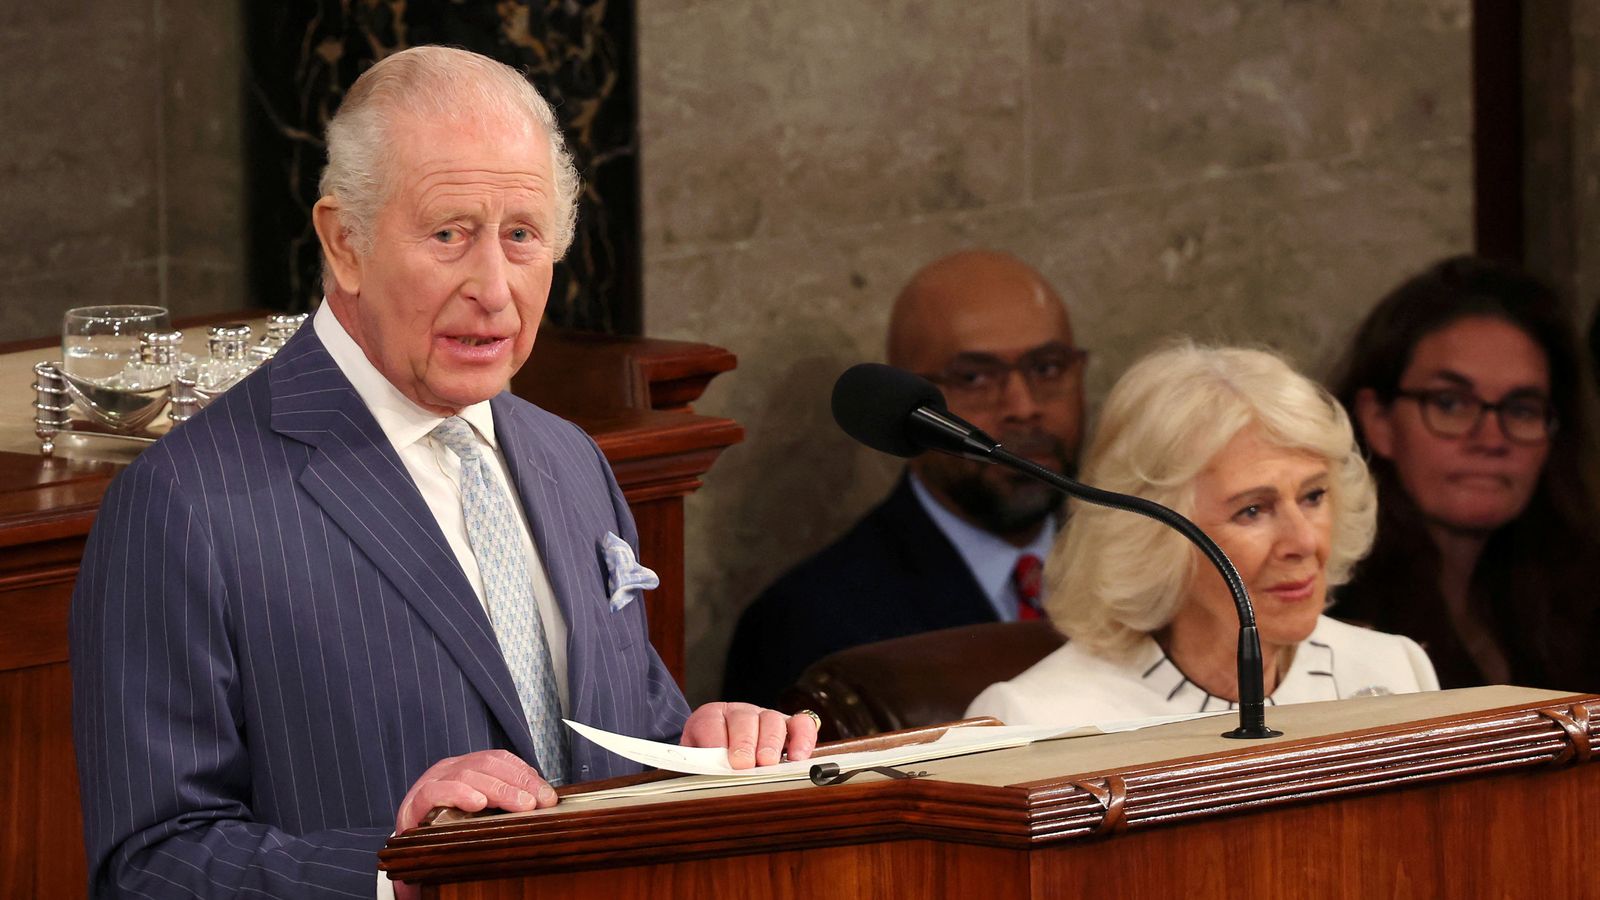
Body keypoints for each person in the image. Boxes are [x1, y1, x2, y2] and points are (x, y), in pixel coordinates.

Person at [70, 47, 816, 899]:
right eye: (449, 234)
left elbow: (619, 739)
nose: (493, 289)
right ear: (344, 243)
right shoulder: (184, 504)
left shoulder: (569, 458)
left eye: (521, 236)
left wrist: (701, 752)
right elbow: (149, 865)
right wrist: (397, 870)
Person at [967, 344, 1438, 725]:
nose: (1303, 543)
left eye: (1313, 496)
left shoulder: (1395, 670)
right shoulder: (1035, 721)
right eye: (1252, 510)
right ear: (1154, 532)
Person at [723, 250, 1087, 707]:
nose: (1023, 406)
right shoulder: (812, 623)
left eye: (1047, 368)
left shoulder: (1142, 563)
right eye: (974, 377)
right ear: (904, 406)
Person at [1331, 256, 1600, 690]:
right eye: (1451, 403)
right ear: (1378, 420)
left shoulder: (1569, 597)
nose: (1491, 438)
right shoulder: (1329, 611)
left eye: (1522, 409)